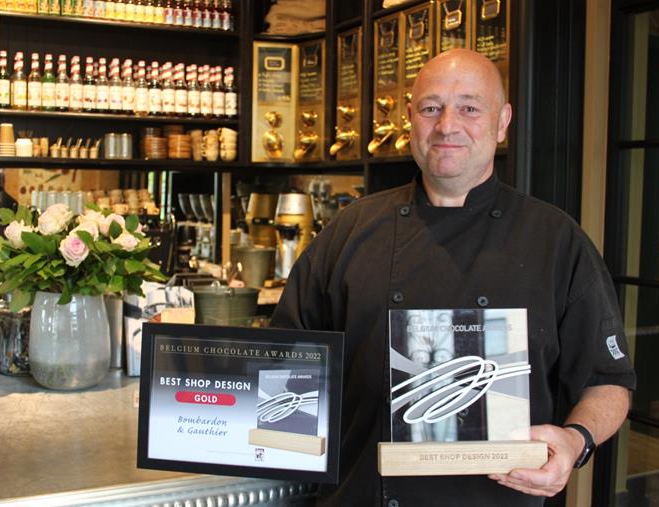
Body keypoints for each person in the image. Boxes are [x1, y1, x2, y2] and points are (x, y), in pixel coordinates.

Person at [270, 49, 636, 505]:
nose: (447, 125)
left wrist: (575, 441)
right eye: (430, 108)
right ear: (410, 120)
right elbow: (285, 358)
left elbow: (608, 381)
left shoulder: (556, 240)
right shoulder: (350, 231)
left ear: (502, 122)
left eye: (469, 108)